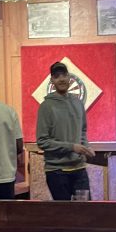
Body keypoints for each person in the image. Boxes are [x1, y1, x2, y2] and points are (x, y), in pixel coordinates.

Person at [36, 61, 95, 200]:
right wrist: (72, 147)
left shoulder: (78, 103)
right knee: (65, 216)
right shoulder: (46, 106)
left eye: (64, 75)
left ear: (69, 77)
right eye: (57, 76)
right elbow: (42, 141)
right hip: (56, 172)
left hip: (79, 169)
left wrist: (86, 147)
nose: (61, 79)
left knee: (86, 215)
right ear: (52, 81)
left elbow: (82, 131)